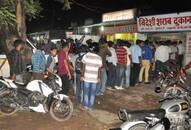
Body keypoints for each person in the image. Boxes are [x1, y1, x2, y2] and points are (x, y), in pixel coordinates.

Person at [81, 42, 102, 110]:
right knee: (92, 93)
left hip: (86, 77)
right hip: (94, 78)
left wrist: (82, 75)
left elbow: (83, 67)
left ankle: (86, 106)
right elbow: (99, 69)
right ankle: (90, 106)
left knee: (86, 92)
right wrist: (99, 77)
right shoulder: (99, 58)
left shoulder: (86, 56)